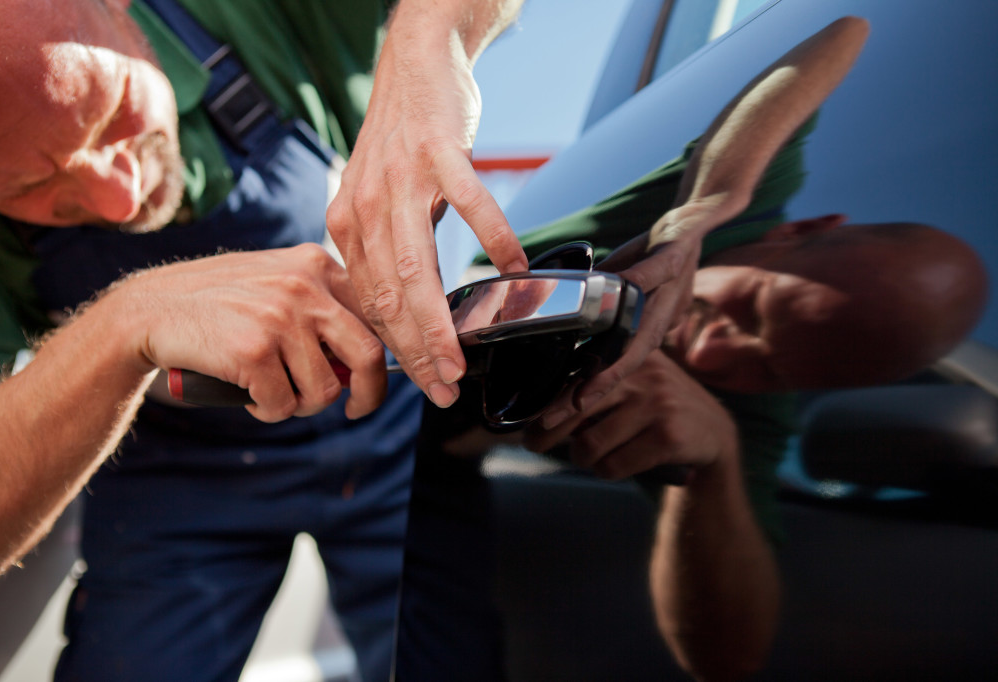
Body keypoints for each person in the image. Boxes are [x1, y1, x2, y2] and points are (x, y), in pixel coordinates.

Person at [395, 16, 987, 681]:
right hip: (394, 377)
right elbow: (845, 33)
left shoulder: (744, 421)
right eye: (757, 306)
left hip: (439, 478)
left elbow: (728, 660)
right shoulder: (752, 194)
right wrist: (706, 202)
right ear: (799, 232)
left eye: (773, 369)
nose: (720, 348)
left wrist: (711, 476)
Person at [0, 0, 523, 680]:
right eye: (34, 185)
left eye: (114, 112)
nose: (118, 199)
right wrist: (124, 319)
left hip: (392, 423)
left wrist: (425, 52)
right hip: (174, 480)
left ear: (120, 12)